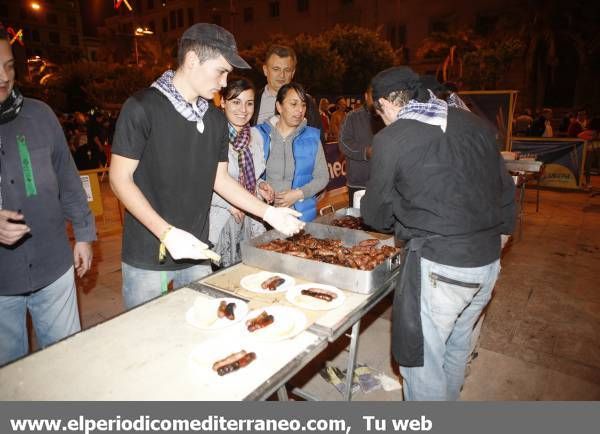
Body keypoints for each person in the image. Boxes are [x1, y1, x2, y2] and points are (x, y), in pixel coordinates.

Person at [110, 23, 303, 310]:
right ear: (191, 61)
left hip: (199, 252)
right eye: (220, 71)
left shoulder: (214, 120)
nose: (224, 83)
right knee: (147, 341)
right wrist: (167, 233)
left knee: (201, 331)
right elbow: (119, 179)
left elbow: (220, 180)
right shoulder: (141, 108)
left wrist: (269, 213)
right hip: (148, 255)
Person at [361, 66, 515, 401]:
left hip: (441, 267)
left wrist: (398, 215)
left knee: (423, 366)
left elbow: (374, 214)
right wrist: (499, 241)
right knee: (457, 346)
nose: (380, 119)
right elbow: (505, 189)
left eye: (378, 111)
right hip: (487, 262)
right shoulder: (473, 122)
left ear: (386, 104)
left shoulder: (393, 137)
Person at [0, 28, 95, 366]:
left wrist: (84, 235)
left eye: (9, 66)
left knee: (65, 366)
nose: (4, 77)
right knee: (10, 380)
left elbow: (68, 179)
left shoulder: (40, 115)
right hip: (2, 285)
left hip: (54, 269)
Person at [209, 77, 274, 267]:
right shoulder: (211, 136)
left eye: (249, 103)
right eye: (236, 102)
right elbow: (201, 181)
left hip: (250, 220)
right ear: (222, 102)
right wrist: (230, 202)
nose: (243, 110)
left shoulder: (256, 136)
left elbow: (256, 174)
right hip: (221, 221)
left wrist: (261, 185)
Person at [256, 82, 329, 222]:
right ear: (279, 107)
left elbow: (322, 177)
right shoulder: (260, 135)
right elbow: (249, 176)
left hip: (301, 217)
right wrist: (260, 186)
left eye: (303, 105)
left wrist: (298, 194)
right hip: (266, 217)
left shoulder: (312, 138)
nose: (300, 110)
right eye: (294, 104)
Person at [250, 45, 323, 142]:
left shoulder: (307, 102)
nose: (282, 75)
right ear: (265, 70)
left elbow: (318, 142)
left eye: (287, 70)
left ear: (293, 73)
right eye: (276, 69)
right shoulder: (251, 101)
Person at [338, 87, 384, 205]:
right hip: (358, 183)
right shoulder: (352, 117)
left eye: (378, 96)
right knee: (357, 221)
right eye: (372, 95)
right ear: (366, 96)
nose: (375, 100)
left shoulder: (387, 116)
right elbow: (343, 143)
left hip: (383, 183)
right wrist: (365, 152)